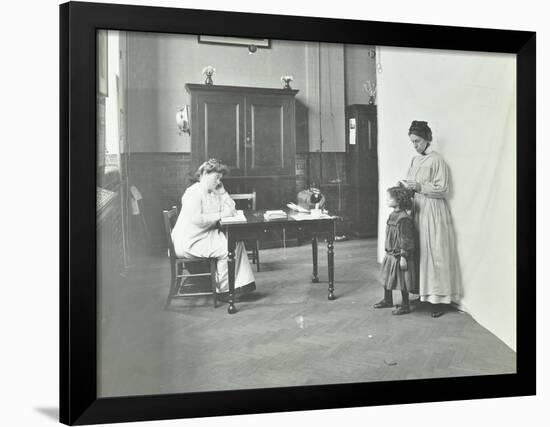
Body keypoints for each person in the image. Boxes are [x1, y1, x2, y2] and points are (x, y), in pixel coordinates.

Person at [401, 120, 461, 317]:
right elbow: (411, 182)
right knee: (420, 252)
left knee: (435, 252)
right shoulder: (414, 160)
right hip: (418, 208)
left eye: (417, 141)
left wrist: (419, 187)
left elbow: (443, 189)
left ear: (427, 139)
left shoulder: (437, 160)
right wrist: (406, 188)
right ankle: (424, 294)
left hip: (433, 210)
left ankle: (439, 300)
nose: (415, 145)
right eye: (412, 142)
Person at [171, 159, 255, 298]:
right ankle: (223, 291)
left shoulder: (213, 191)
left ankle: (240, 286)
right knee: (227, 249)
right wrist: (222, 214)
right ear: (204, 173)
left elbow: (232, 209)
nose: (218, 182)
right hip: (189, 241)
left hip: (202, 235)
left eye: (220, 179)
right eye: (216, 178)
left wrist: (222, 192)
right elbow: (197, 220)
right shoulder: (193, 192)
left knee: (236, 242)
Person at [374, 186, 416, 315]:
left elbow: (406, 239)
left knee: (403, 281)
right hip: (390, 254)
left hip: (399, 255)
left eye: (389, 198)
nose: (387, 200)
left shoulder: (403, 218)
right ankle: (388, 299)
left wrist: (404, 256)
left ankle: (405, 305)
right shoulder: (393, 214)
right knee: (387, 277)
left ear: (398, 200)